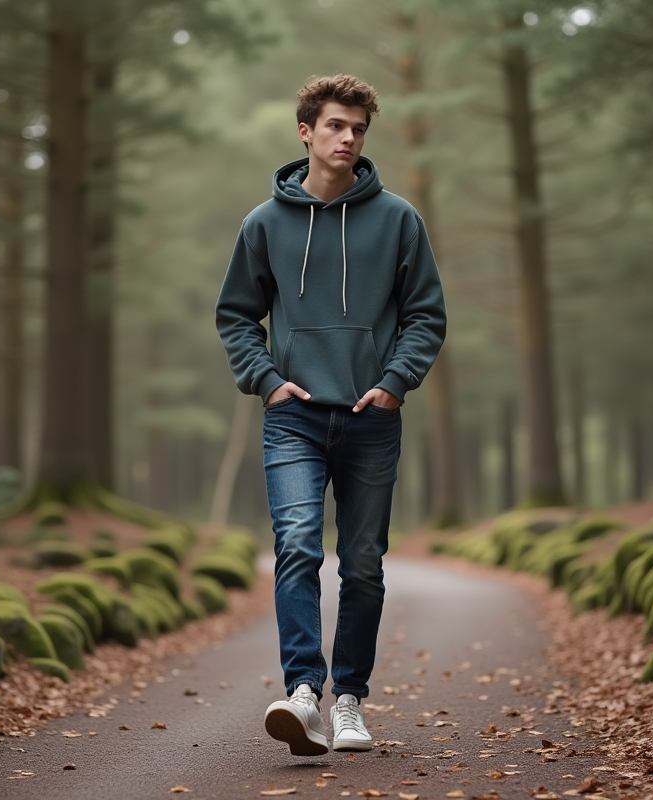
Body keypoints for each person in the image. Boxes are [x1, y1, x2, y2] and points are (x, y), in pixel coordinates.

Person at [215, 74, 446, 756]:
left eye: (359, 129)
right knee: (295, 548)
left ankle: (350, 700)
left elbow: (426, 315)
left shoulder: (399, 219)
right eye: (338, 125)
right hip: (295, 417)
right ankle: (304, 696)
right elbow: (236, 315)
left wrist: (396, 383)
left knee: (365, 563)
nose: (350, 138)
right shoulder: (263, 224)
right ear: (306, 132)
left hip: (373, 415)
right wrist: (266, 380)